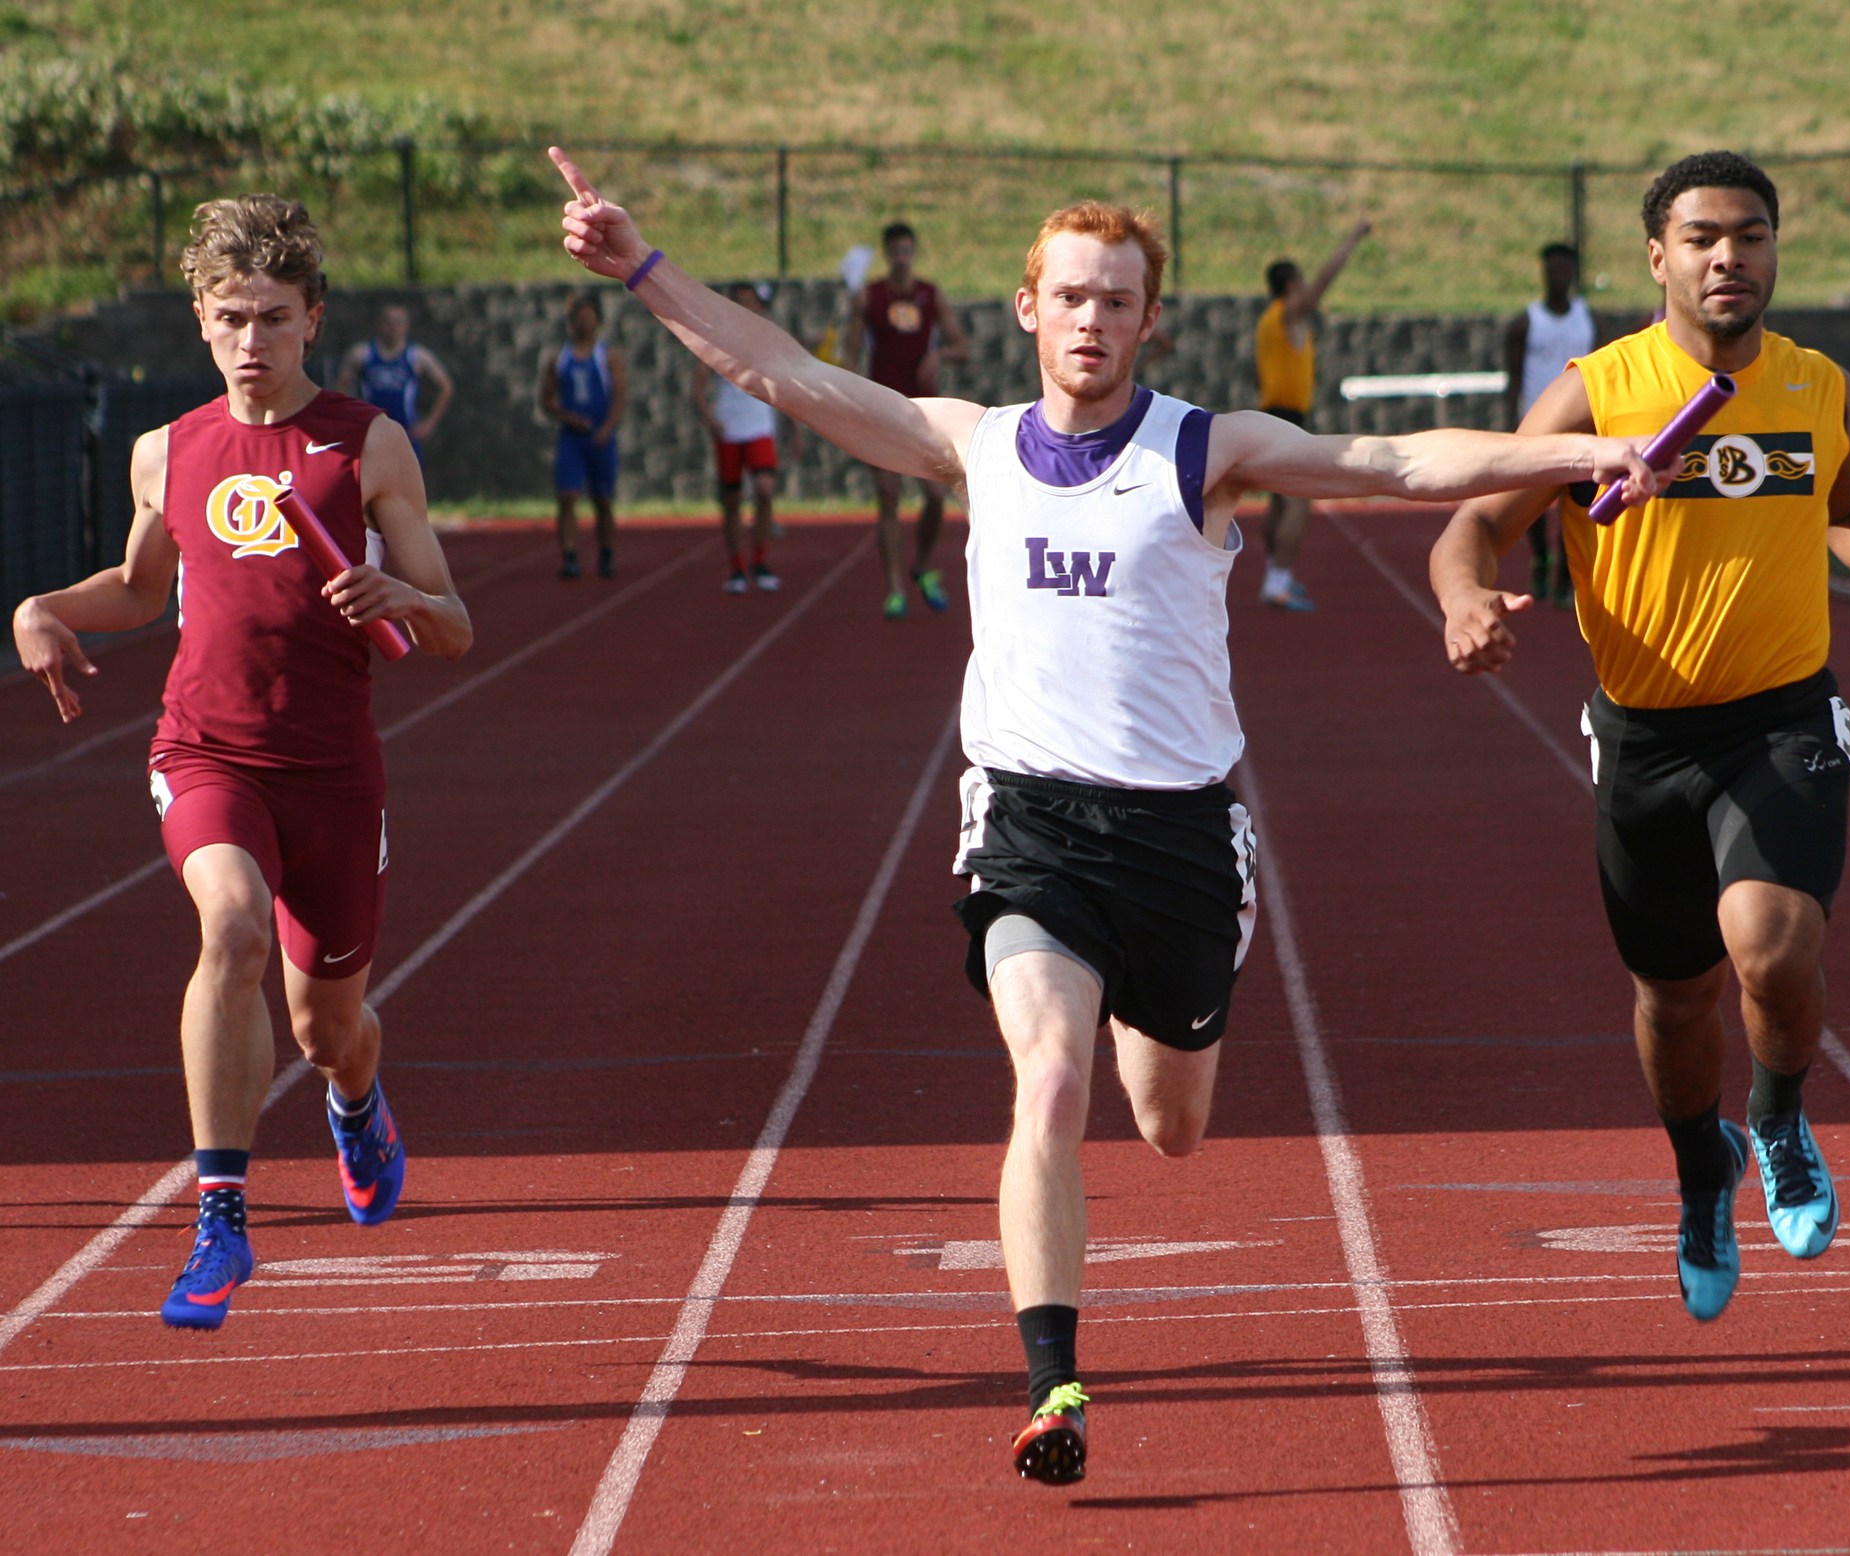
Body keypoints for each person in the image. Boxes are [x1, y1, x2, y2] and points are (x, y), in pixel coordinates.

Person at [547, 145, 1664, 1484]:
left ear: (1148, 321)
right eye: (1069, 295)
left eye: (1115, 300)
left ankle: (1190, 984)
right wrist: (645, 270)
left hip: (1180, 835)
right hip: (1027, 826)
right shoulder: (972, 444)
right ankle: (1053, 1383)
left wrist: (1594, 444)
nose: (1089, 319)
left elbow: (1391, 457)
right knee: (1052, 1079)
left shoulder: (1202, 449)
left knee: (1172, 1121)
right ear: (1028, 308)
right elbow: (786, 372)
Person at [1429, 151, 1850, 1324]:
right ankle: (1704, 1167)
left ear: (1773, 250)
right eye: (1699, 238)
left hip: (1780, 719)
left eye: (1747, 235)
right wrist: (1462, 598)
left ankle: (1781, 1119)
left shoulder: (1816, 387)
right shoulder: (1597, 390)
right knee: (1672, 997)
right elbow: (1473, 525)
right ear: (1657, 258)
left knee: (1771, 950)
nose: (1725, 257)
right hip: (1641, 739)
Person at [10, 194, 473, 1330]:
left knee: (327, 1027)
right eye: (230, 317)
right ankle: (221, 1215)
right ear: (202, 325)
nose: (251, 339)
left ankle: (357, 1100)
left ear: (313, 320)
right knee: (228, 926)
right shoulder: (165, 450)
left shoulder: (367, 443)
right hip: (207, 750)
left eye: (272, 316)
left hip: (330, 773)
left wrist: (403, 592)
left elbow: (454, 625)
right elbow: (133, 587)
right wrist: (38, 608)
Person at [1253, 215, 1374, 611]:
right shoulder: (1288, 312)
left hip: (1272, 412)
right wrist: (1352, 238)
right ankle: (1278, 582)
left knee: (1277, 502)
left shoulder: (1268, 321)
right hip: (1287, 416)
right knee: (1299, 503)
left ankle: (1274, 573)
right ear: (1291, 286)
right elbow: (1324, 281)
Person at [850, 221, 969, 618]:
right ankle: (896, 588)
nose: (902, 258)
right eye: (896, 251)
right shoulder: (870, 297)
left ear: (914, 253)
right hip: (882, 410)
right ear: (887, 255)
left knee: (936, 496)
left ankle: (921, 565)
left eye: (907, 251)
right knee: (888, 497)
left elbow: (961, 345)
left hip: (923, 412)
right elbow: (850, 355)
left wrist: (939, 355)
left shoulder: (930, 295)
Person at [1502, 242, 1596, 608]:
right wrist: (1512, 420)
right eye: (1553, 269)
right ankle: (1541, 556)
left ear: (1574, 273)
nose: (1559, 276)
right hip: (1538, 422)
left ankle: (1565, 577)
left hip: (1583, 425)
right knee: (1534, 503)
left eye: (1565, 269)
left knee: (1579, 503)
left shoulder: (1589, 321)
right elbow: (1512, 377)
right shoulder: (1525, 323)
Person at [692, 282, 782, 593]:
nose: (745, 306)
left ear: (759, 306)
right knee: (731, 501)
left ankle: (760, 560)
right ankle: (738, 567)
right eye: (738, 301)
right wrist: (709, 419)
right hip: (729, 428)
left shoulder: (768, 339)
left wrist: (795, 429)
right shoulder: (716, 340)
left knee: (765, 489)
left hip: (759, 426)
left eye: (750, 301)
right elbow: (699, 383)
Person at [538, 292, 629, 580]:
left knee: (603, 499)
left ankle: (606, 554)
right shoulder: (559, 358)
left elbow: (619, 395)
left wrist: (607, 427)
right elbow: (546, 399)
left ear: (598, 321)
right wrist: (567, 417)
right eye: (579, 317)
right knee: (567, 496)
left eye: (589, 317)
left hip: (600, 437)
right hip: (571, 438)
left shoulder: (607, 356)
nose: (584, 323)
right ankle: (569, 555)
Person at [335, 303, 455, 452]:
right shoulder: (361, 354)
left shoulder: (417, 356)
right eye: (388, 322)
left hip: (407, 433)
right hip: (371, 432)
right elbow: (341, 387)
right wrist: (349, 419)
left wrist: (429, 423)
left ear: (406, 326)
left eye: (398, 323)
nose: (393, 327)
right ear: (380, 324)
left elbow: (446, 386)